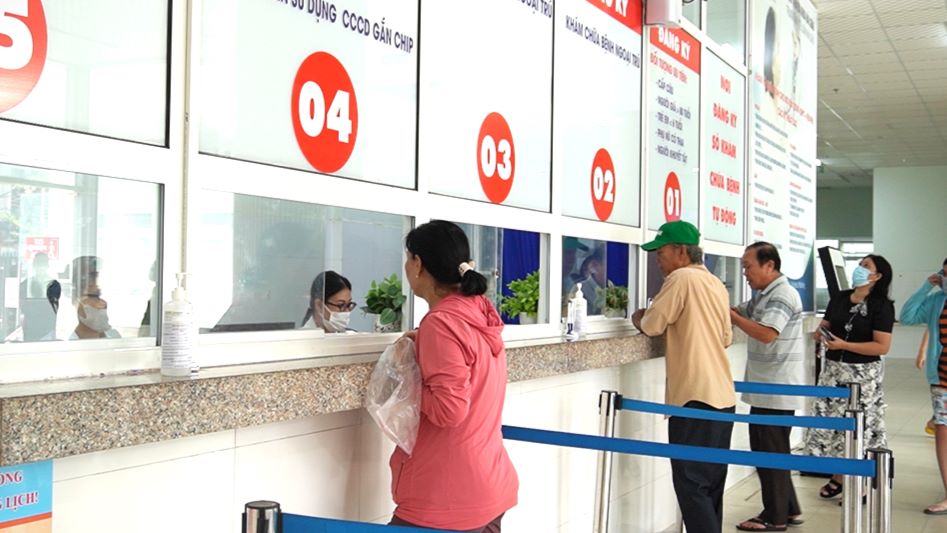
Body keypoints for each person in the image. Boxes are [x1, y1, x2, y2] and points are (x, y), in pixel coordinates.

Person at [390, 220, 518, 532]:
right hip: (488, 485)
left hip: (447, 498)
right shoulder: (477, 312)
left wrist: (407, 379)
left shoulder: (441, 323)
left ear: (418, 264)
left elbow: (449, 410)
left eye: (408, 259)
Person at [630, 220, 735, 533]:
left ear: (680, 251)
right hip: (722, 395)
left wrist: (638, 316)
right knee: (711, 483)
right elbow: (726, 337)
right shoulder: (715, 283)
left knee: (691, 485)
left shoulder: (680, 278)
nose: (657, 260)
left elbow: (652, 325)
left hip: (694, 396)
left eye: (660, 252)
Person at [804, 255, 894, 499]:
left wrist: (845, 345)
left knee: (859, 426)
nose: (859, 269)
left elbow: (882, 346)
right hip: (833, 371)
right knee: (834, 424)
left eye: (866, 266)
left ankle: (860, 480)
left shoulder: (881, 306)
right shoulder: (840, 298)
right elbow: (825, 325)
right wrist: (821, 335)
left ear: (877, 276)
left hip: (862, 375)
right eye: (860, 264)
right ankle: (838, 476)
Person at [730, 242, 805, 531]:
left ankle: (774, 518)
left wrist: (734, 318)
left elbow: (766, 333)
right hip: (766, 388)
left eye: (748, 266)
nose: (745, 273)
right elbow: (739, 311)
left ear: (769, 265)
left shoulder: (782, 295)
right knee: (774, 451)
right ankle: (789, 509)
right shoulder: (764, 295)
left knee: (768, 454)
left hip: (776, 390)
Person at [900, 257, 947, 514]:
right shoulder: (936, 300)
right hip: (941, 379)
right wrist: (925, 287)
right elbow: (907, 317)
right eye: (945, 274)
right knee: (943, 431)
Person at [70, 256, 120, 340]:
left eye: (98, 297)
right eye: (92, 297)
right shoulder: (70, 345)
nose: (101, 304)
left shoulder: (115, 338)